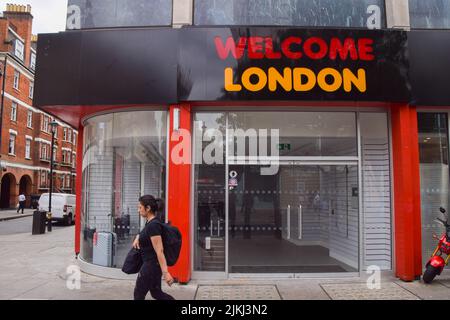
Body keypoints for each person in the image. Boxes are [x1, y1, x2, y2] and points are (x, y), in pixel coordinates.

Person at [132, 195, 175, 300]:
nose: (138, 210)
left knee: (138, 295)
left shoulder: (153, 225)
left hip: (150, 266)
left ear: (148, 208)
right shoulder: (150, 223)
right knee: (156, 293)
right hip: (153, 265)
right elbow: (147, 235)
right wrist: (138, 237)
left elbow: (159, 250)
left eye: (140, 207)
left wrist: (166, 273)